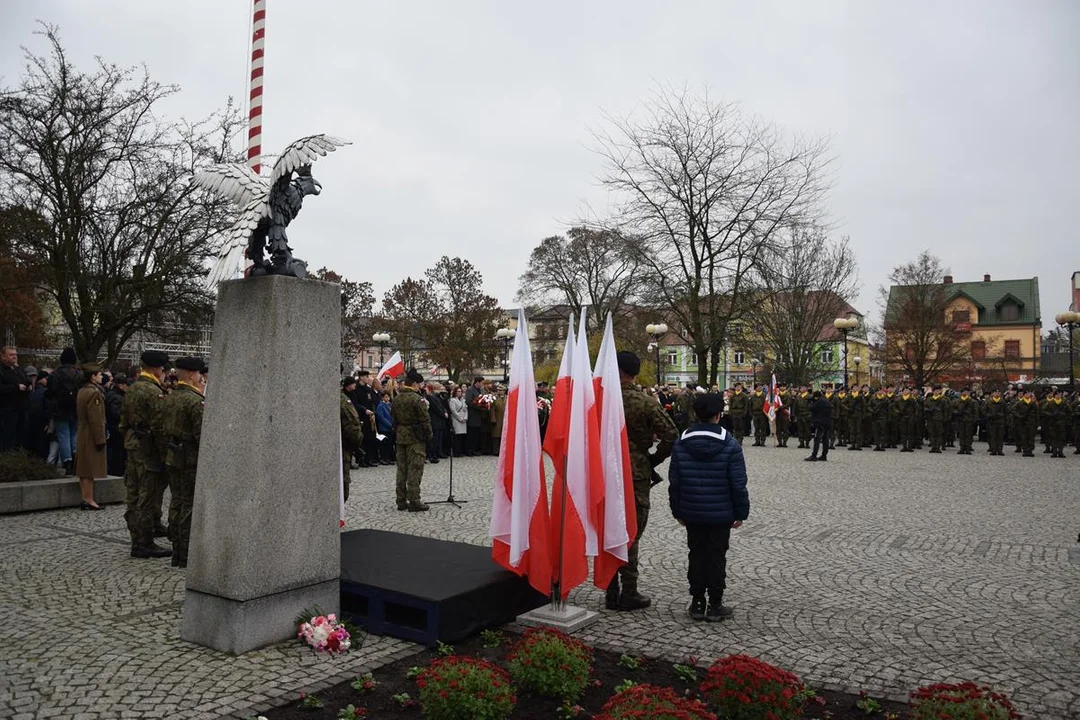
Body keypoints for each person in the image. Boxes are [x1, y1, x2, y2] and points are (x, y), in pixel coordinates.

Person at [668, 392, 749, 621]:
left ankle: (696, 601)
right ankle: (715, 603)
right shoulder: (731, 444)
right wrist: (741, 511)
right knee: (716, 555)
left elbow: (675, 481)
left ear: (696, 414)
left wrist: (677, 510)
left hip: (692, 511)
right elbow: (738, 483)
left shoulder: (681, 442)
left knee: (696, 554)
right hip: (720, 513)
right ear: (718, 415)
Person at [607, 351, 678, 612]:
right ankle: (630, 591)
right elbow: (671, 434)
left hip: (603, 472)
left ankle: (610, 589)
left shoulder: (599, 400)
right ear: (635, 373)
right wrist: (652, 460)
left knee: (608, 528)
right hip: (635, 472)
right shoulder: (645, 402)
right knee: (630, 531)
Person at [119, 350, 172, 559]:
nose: (164, 372)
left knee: (133, 493)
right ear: (156, 369)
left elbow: (123, 422)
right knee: (147, 496)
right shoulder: (152, 391)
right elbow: (159, 426)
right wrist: (164, 453)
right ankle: (144, 543)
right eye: (163, 369)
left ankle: (137, 537)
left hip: (132, 444)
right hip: (148, 448)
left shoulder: (132, 388)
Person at [161, 357, 205, 567]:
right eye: (198, 374)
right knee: (188, 505)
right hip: (190, 459)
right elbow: (201, 436)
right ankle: (186, 553)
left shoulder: (170, 397)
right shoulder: (194, 401)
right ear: (190, 374)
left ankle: (177, 549)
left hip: (173, 456)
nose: (200, 377)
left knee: (176, 502)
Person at [392, 368, 432, 511]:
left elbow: (394, 419)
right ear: (414, 384)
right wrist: (429, 436)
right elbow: (425, 420)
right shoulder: (417, 399)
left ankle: (401, 500)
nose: (420, 386)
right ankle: (414, 500)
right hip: (415, 437)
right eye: (419, 384)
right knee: (415, 468)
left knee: (402, 469)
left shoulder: (396, 398)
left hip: (400, 436)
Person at [74, 362, 107, 510]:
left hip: (82, 430)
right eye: (99, 374)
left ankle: (85, 497)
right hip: (90, 432)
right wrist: (100, 439)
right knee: (89, 469)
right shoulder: (94, 393)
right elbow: (96, 419)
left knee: (83, 467)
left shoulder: (82, 390)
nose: (101, 377)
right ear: (93, 377)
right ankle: (89, 499)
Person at [46, 348, 81, 474]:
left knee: (63, 435)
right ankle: (76, 459)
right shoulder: (79, 374)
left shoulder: (55, 375)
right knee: (73, 435)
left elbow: (49, 393)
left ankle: (67, 462)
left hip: (59, 409)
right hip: (75, 409)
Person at [339, 377, 363, 501]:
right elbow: (353, 425)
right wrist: (357, 444)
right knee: (342, 487)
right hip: (343, 446)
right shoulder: (342, 399)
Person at [105, 374, 128, 476]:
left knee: (114, 450)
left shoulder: (110, 394)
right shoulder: (118, 398)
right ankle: (117, 470)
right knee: (118, 451)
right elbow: (117, 413)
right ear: (121, 385)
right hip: (116, 427)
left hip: (111, 427)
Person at [805, 390, 832, 462]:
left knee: (817, 439)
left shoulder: (819, 402)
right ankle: (824, 455)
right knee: (825, 440)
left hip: (820, 423)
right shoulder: (826, 401)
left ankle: (814, 455)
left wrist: (810, 402)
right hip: (827, 422)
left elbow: (811, 408)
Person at [464, 376, 484, 455]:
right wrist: (478, 405)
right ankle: (469, 450)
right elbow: (468, 402)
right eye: (482, 382)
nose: (482, 384)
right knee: (471, 433)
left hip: (478, 415)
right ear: (477, 382)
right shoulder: (470, 390)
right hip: (472, 415)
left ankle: (474, 449)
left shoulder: (480, 390)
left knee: (476, 434)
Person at [375, 391, 395, 464]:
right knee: (384, 444)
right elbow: (381, 417)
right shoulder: (380, 406)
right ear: (382, 397)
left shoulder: (390, 405)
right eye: (386, 397)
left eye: (388, 397)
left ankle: (388, 458)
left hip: (390, 427)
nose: (387, 398)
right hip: (383, 428)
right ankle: (383, 458)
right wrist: (389, 425)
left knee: (389, 444)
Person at [448, 385, 467, 456]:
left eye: (460, 391)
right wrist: (460, 418)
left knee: (462, 436)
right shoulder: (452, 400)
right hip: (456, 419)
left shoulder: (463, 400)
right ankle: (456, 452)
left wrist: (465, 418)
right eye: (458, 391)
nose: (460, 393)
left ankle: (460, 451)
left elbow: (466, 409)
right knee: (457, 436)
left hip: (463, 419)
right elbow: (453, 410)